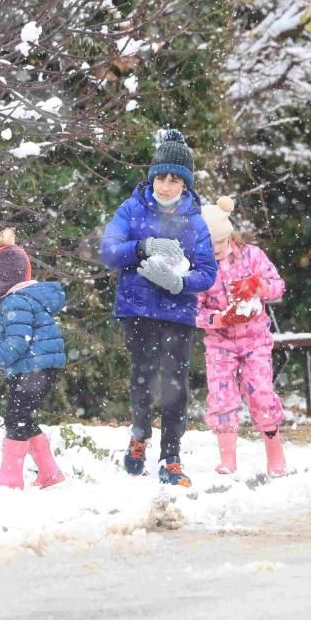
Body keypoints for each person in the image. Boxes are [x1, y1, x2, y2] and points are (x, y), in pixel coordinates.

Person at [100, 129, 218, 487]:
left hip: (177, 313)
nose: (166, 186)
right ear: (152, 177)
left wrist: (182, 283)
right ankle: (139, 437)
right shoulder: (132, 209)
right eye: (161, 178)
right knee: (142, 377)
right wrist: (142, 246)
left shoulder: (195, 221)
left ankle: (172, 456)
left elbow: (208, 272)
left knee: (175, 384)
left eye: (175, 179)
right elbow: (108, 250)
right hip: (136, 309)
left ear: (185, 183)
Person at [0, 229, 67, 490]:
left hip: (35, 368)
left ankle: (10, 476)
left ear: (0, 278)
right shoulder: (23, 298)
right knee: (22, 416)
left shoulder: (16, 301)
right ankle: (50, 472)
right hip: (40, 367)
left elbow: (18, 342)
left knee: (16, 416)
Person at [196, 196, 287, 476]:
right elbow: (191, 309)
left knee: (260, 393)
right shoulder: (197, 267)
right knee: (222, 398)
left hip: (255, 339)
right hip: (219, 343)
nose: (215, 251)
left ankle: (275, 452)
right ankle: (228, 458)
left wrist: (258, 285)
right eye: (207, 246)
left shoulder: (252, 256)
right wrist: (217, 318)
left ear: (229, 237)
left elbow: (278, 285)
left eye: (219, 245)